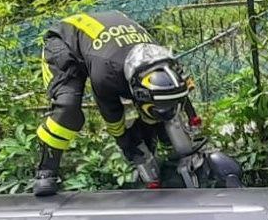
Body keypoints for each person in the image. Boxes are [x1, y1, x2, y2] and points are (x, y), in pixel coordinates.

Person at [32, 10, 192, 196]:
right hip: (64, 43)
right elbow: (111, 113)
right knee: (68, 111)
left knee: (154, 109)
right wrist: (124, 143)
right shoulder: (106, 75)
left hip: (108, 51)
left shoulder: (165, 61)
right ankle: (46, 172)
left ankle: (148, 149)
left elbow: (174, 93)